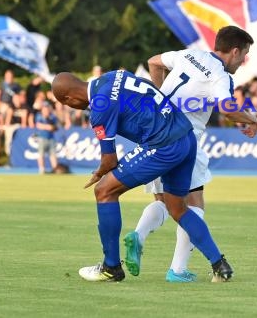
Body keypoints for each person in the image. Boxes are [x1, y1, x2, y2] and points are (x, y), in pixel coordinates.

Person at [51, 70, 234, 282]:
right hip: (186, 136)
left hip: (163, 145)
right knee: (177, 208)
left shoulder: (99, 107)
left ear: (69, 99)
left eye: (67, 104)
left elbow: (109, 160)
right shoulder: (113, 75)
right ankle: (220, 265)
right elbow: (147, 83)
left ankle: (111, 267)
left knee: (103, 191)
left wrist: (99, 173)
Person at [123, 25, 257, 283]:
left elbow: (154, 62)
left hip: (154, 134)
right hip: (184, 141)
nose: (243, 62)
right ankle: (178, 270)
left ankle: (138, 235)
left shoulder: (190, 54)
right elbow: (227, 109)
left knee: (163, 200)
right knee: (194, 205)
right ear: (234, 51)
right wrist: (251, 119)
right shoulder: (220, 75)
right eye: (244, 56)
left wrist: (162, 98)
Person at [34, 101, 59, 174]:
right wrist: (48, 127)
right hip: (42, 137)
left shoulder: (53, 116)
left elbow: (56, 127)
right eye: (44, 109)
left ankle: (55, 169)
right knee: (41, 154)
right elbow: (38, 125)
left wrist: (50, 127)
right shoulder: (39, 116)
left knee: (53, 154)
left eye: (47, 108)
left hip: (51, 138)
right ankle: (42, 169)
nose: (46, 110)